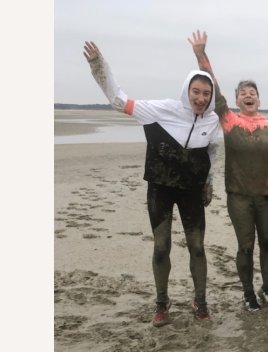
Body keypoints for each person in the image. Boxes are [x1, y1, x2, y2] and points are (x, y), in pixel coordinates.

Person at [83, 40, 220, 326]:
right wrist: (99, 65)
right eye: (196, 92)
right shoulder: (161, 110)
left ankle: (200, 300)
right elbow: (120, 100)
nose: (201, 98)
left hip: (192, 192)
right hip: (160, 187)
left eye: (206, 93)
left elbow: (212, 151)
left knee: (197, 246)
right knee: (161, 246)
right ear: (187, 91)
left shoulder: (212, 120)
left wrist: (208, 182)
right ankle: (162, 301)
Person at [189, 31, 268, 312]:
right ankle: (248, 294)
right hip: (239, 197)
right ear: (235, 99)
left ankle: (267, 288)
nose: (248, 96)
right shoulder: (229, 119)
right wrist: (200, 54)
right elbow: (214, 89)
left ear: (259, 99)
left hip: (267, 196)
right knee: (246, 246)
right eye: (243, 93)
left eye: (252, 93)